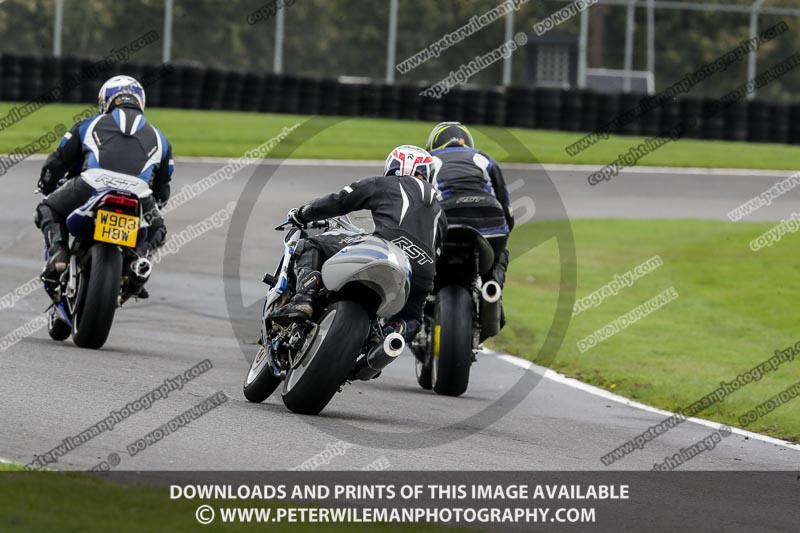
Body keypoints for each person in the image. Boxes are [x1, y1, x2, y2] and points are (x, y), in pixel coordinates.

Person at [272, 145, 447, 340]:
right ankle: (382, 344)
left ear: (393, 166)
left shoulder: (386, 184)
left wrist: (302, 214)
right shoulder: (440, 212)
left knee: (311, 244)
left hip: (387, 249)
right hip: (422, 272)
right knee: (412, 319)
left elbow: (340, 201)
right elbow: (437, 253)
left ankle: (303, 300)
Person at [35, 75, 173, 298]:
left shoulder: (89, 124)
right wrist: (155, 203)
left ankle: (58, 253)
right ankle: (138, 262)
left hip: (92, 184)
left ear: (105, 101)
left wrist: (47, 182)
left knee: (46, 209)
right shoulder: (161, 138)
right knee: (158, 228)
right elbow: (163, 186)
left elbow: (59, 160)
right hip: (139, 193)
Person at [425, 121, 513, 290]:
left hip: (446, 220)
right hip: (489, 220)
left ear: (433, 144)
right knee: (500, 253)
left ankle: (421, 298)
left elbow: (416, 203)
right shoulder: (485, 159)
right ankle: (491, 288)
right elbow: (506, 209)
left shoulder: (427, 161)